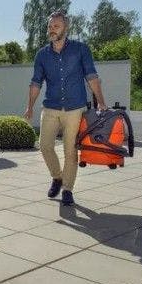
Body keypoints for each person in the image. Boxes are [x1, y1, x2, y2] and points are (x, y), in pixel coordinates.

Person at [24, 10, 107, 206]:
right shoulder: (42, 55)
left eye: (56, 26)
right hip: (51, 107)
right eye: (50, 27)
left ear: (65, 28)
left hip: (74, 109)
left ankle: (68, 189)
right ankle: (57, 177)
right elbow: (36, 82)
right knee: (45, 146)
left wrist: (101, 102)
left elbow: (92, 77)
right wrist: (29, 106)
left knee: (71, 151)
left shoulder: (80, 49)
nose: (52, 30)